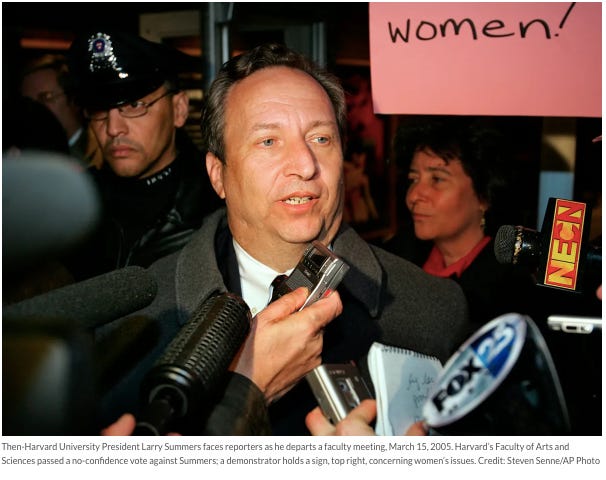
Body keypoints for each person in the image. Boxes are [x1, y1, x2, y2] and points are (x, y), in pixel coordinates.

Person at [93, 42, 469, 436]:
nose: (305, 165)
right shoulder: (133, 330)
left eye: (321, 139)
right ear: (218, 175)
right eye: (269, 141)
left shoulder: (433, 311)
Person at [63, 30, 223, 281]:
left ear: (179, 109)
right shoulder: (71, 206)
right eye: (100, 109)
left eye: (134, 106)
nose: (113, 128)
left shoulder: (222, 206)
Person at [383, 117, 536, 332]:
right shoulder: (395, 259)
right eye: (414, 179)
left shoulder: (513, 290)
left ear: (483, 196)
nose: (414, 195)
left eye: (437, 179)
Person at [19, 53, 103, 168]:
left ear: (73, 100)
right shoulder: (23, 159)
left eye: (46, 98)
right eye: (27, 102)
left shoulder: (98, 156)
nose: (34, 109)